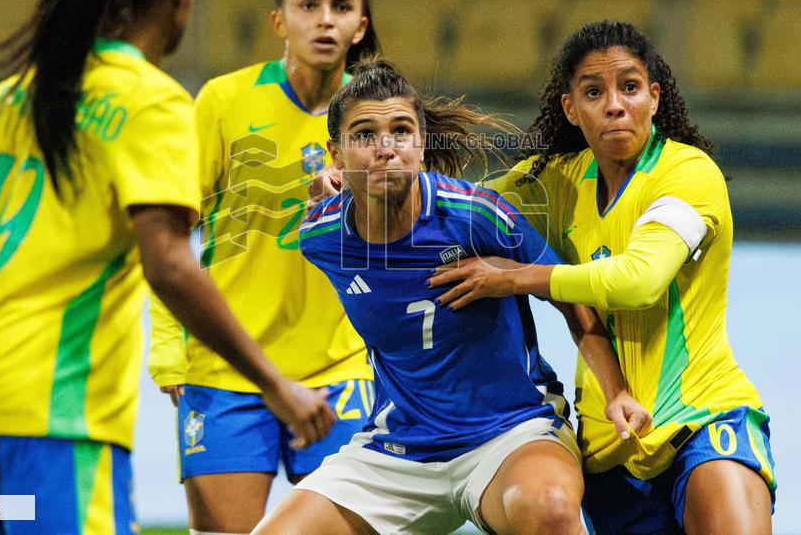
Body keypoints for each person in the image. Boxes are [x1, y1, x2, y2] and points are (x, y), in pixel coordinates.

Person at [0, 0, 332, 535]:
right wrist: (275, 383)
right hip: (54, 410)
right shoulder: (151, 102)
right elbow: (170, 265)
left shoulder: (20, 92)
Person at [256, 56, 650, 534]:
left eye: (401, 131)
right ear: (335, 154)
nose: (386, 148)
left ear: (421, 145)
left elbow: (571, 296)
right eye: (363, 136)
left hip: (512, 434)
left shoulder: (475, 215)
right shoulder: (321, 237)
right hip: (398, 447)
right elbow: (319, 209)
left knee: (549, 507)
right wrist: (327, 191)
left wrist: (616, 392)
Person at [430, 21, 776, 534]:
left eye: (630, 88)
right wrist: (352, 184)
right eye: (594, 92)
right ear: (572, 109)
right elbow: (454, 209)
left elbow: (640, 280)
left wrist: (518, 277)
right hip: (608, 448)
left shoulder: (688, 174)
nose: (615, 105)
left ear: (654, 98)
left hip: (704, 421)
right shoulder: (557, 182)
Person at [147, 0, 379, 533]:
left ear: (360, 27)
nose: (325, 19)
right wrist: (171, 346)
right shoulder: (223, 102)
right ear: (279, 20)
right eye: (309, 5)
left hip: (341, 368)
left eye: (340, 7)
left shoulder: (377, 115)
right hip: (227, 369)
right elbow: (168, 236)